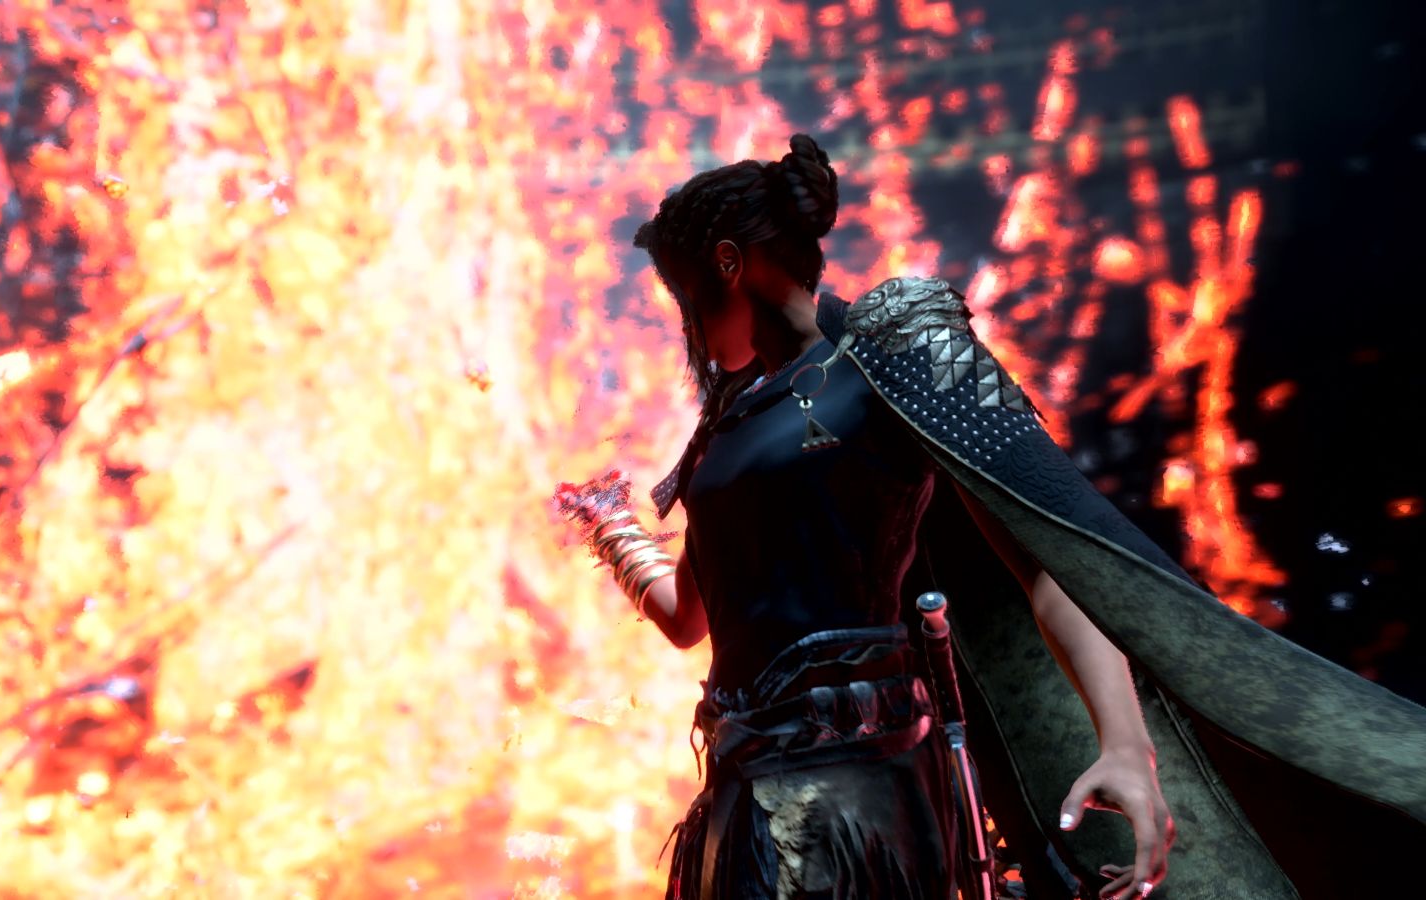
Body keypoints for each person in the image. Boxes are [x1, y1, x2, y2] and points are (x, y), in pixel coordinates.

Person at [560, 133, 1426, 900]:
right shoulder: (726, 426)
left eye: (684, 293)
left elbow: (1051, 557)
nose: (686, 324)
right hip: (738, 799)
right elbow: (689, 618)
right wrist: (611, 527)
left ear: (727, 263)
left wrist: (1127, 746)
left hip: (859, 795)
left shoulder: (890, 357)